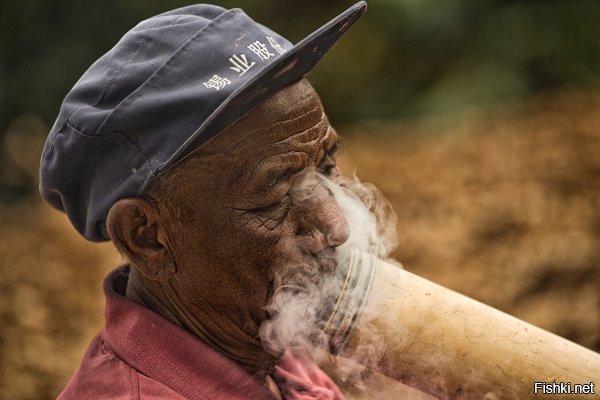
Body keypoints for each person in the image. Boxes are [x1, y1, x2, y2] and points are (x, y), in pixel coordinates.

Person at [39, 2, 367, 399]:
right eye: (275, 189)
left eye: (327, 165)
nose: (336, 226)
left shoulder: (268, 346)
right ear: (148, 238)